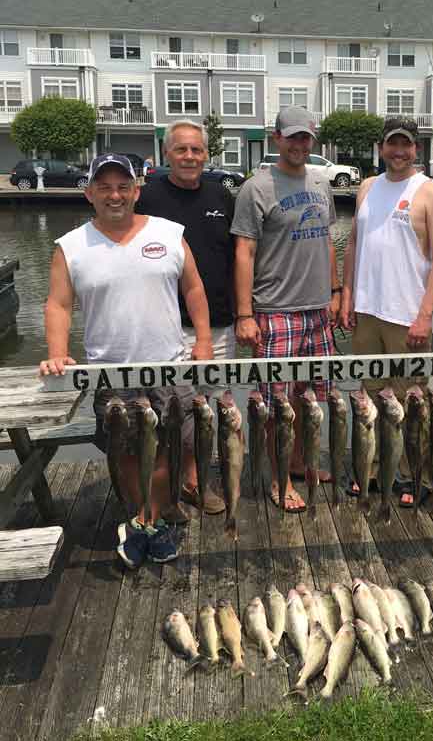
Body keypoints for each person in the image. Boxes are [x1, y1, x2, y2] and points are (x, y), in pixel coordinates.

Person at [39, 153, 213, 567]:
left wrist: (203, 341)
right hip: (111, 372)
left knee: (173, 449)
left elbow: (194, 290)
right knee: (127, 454)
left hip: (169, 366)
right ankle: (143, 520)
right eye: (104, 187)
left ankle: (152, 517)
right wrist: (56, 353)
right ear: (89, 194)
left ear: (137, 191)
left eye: (123, 187)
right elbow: (58, 305)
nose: (114, 195)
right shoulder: (71, 246)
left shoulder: (169, 233)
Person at [341, 117, 433, 505]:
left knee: (411, 399)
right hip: (367, 312)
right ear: (381, 147)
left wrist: (426, 315)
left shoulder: (431, 193)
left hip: (408, 316)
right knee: (370, 397)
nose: (399, 151)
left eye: (406, 145)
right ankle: (371, 469)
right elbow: (354, 243)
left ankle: (410, 474)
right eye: (392, 144)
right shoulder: (368, 188)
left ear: (416, 149)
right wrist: (346, 295)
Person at [232, 106, 340, 512]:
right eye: (291, 137)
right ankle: (278, 480)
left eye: (305, 137)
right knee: (275, 405)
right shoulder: (256, 187)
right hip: (276, 310)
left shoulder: (320, 181)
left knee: (308, 398)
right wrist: (246, 314)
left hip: (318, 311)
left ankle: (299, 464)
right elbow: (244, 251)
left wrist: (336, 290)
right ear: (276, 138)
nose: (299, 144)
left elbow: (328, 239)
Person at [137, 119, 234, 517]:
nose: (190, 157)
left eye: (197, 150)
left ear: (206, 154)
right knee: (167, 410)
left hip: (219, 324)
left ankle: (196, 478)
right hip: (166, 323)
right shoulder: (146, 197)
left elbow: (240, 254)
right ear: (166, 154)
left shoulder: (222, 195)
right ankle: (168, 485)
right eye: (181, 150)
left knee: (207, 408)